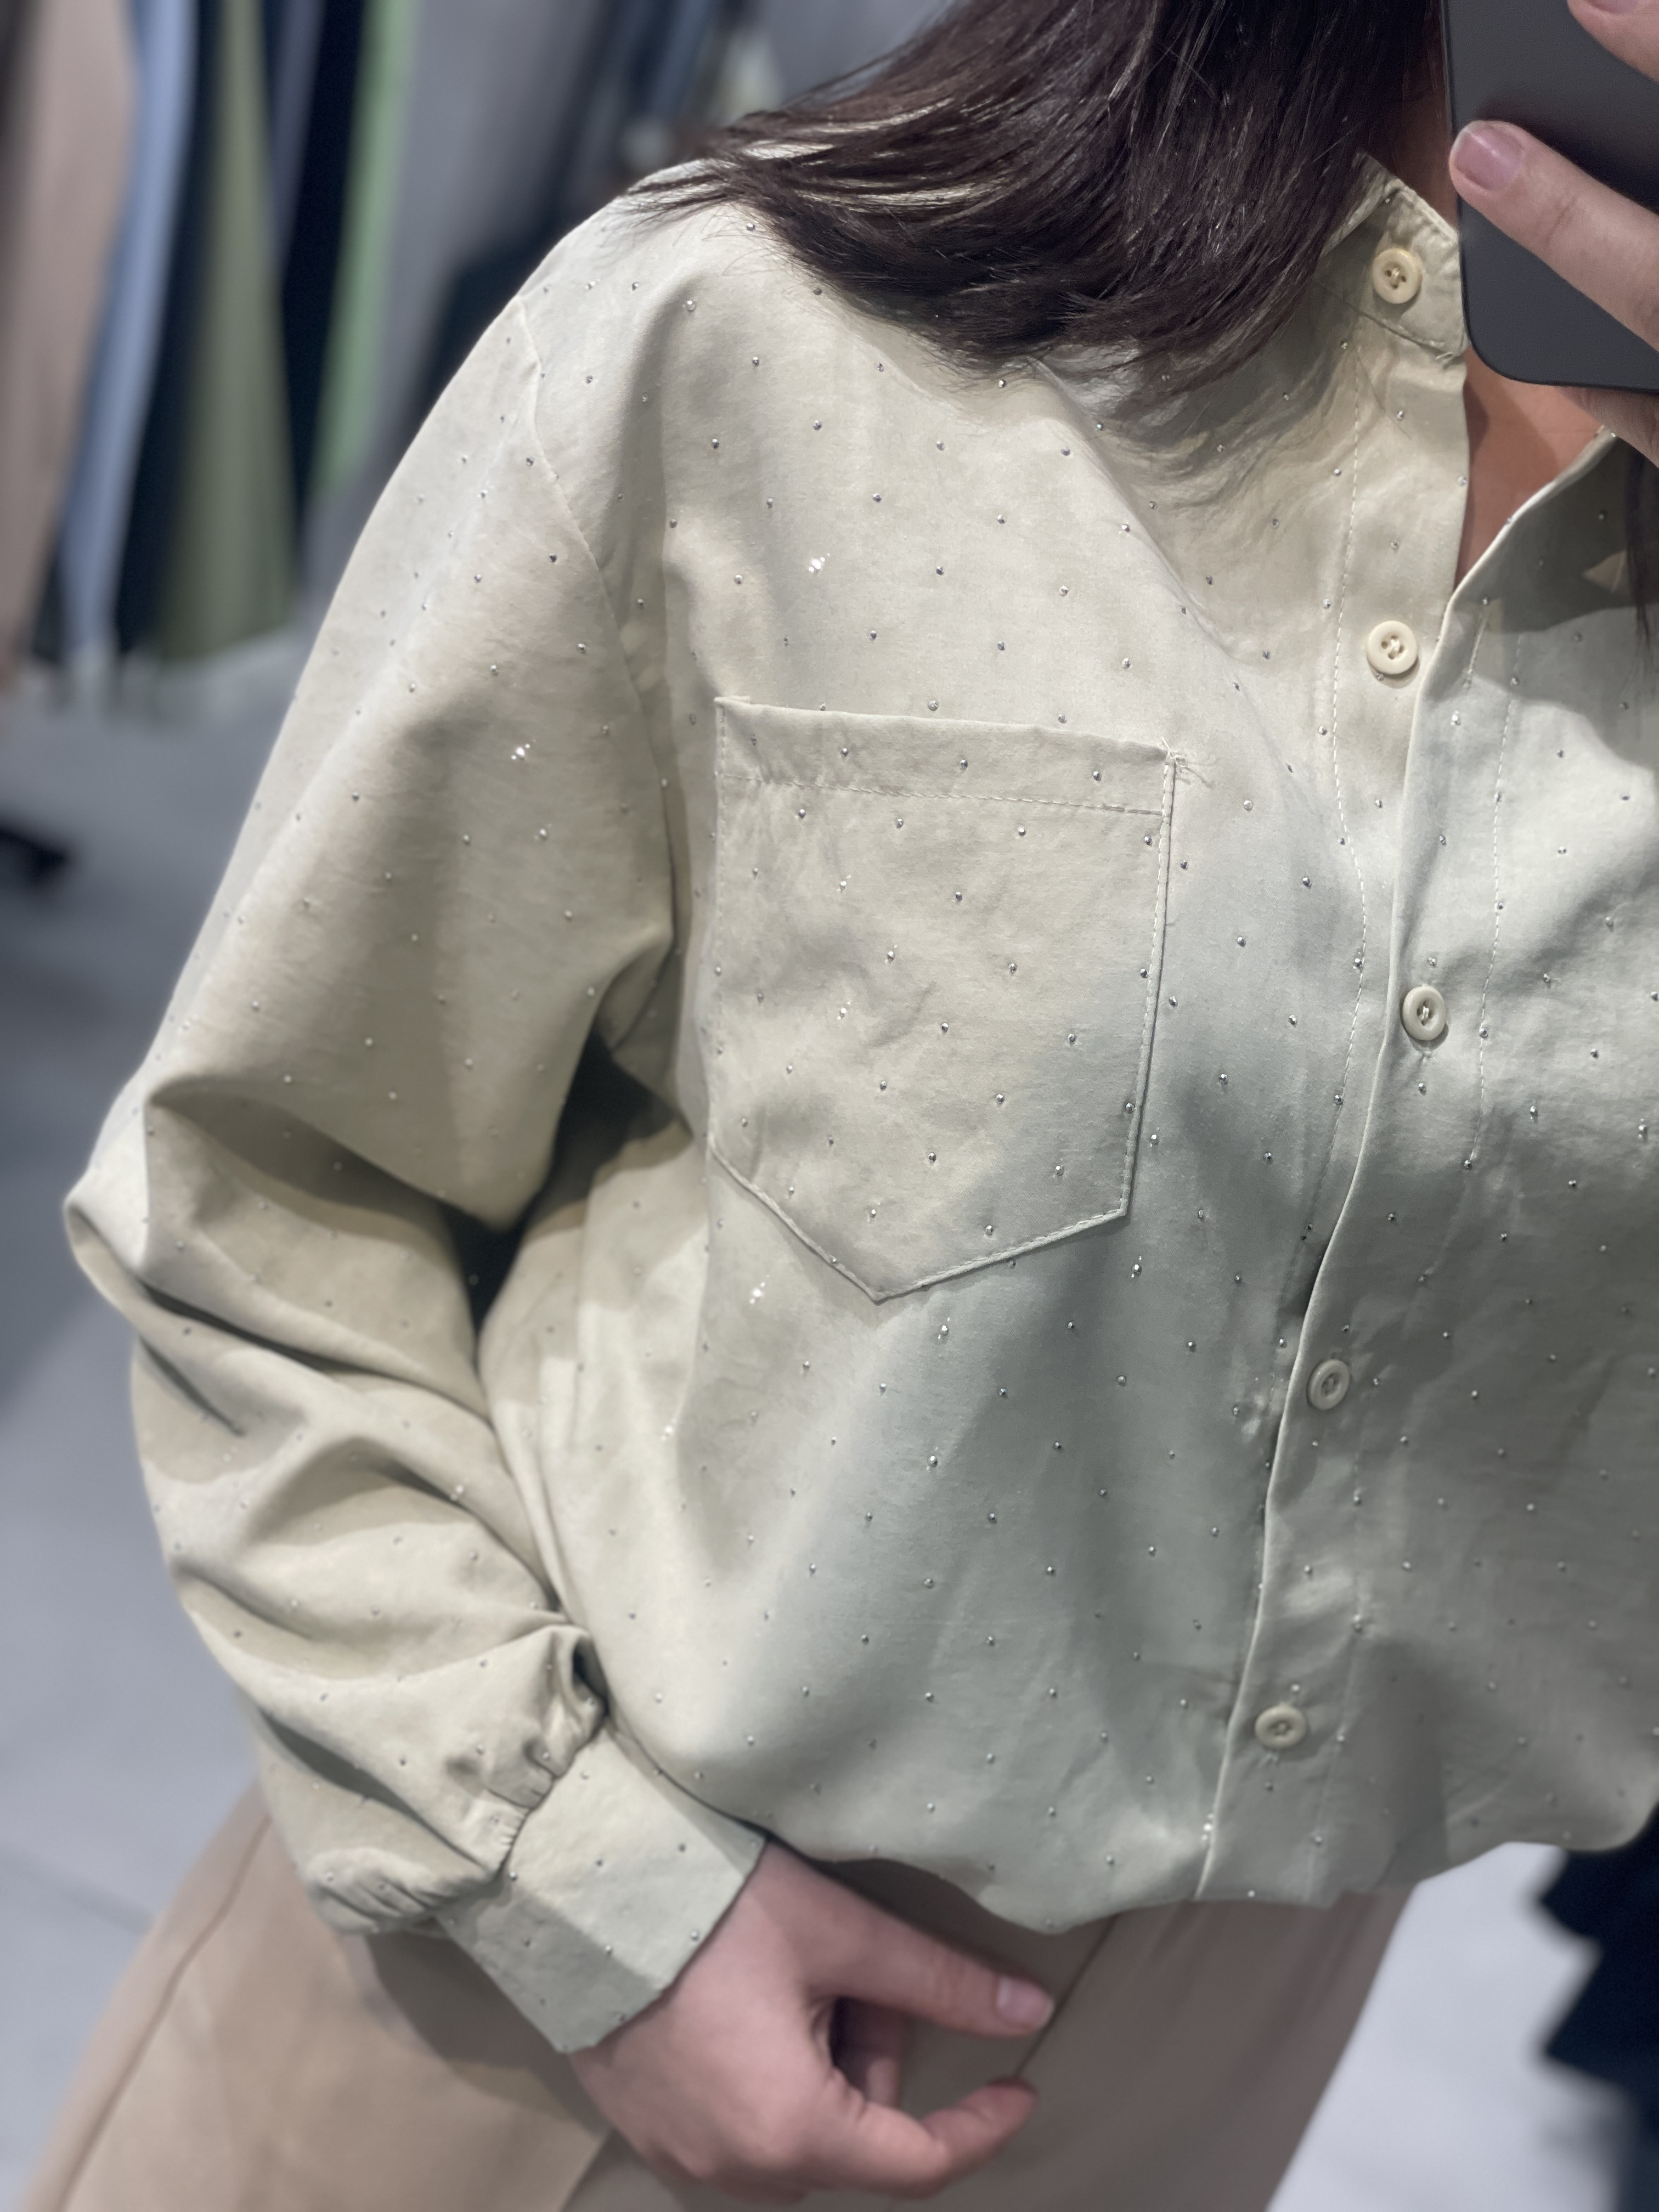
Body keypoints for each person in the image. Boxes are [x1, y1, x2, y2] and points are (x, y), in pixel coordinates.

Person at [27, 1, 1659, 2207]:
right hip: (531, 1988)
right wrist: (569, 1876)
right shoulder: (780, 342)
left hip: (1222, 2047)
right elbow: (274, 1185)